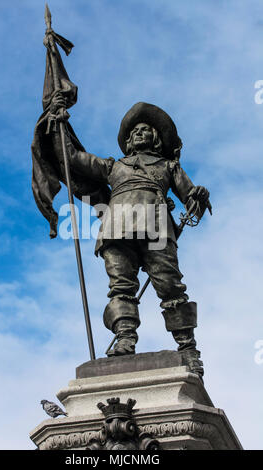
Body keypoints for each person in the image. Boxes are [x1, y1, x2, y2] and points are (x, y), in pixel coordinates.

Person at [35, 99, 210, 378]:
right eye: (134, 131)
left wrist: (197, 197)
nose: (139, 133)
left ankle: (188, 349)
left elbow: (192, 200)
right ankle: (125, 339)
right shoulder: (113, 166)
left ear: (154, 138)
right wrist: (58, 125)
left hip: (156, 227)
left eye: (145, 130)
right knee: (121, 287)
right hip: (117, 228)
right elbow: (73, 159)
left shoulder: (169, 167)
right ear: (129, 140)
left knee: (170, 286)